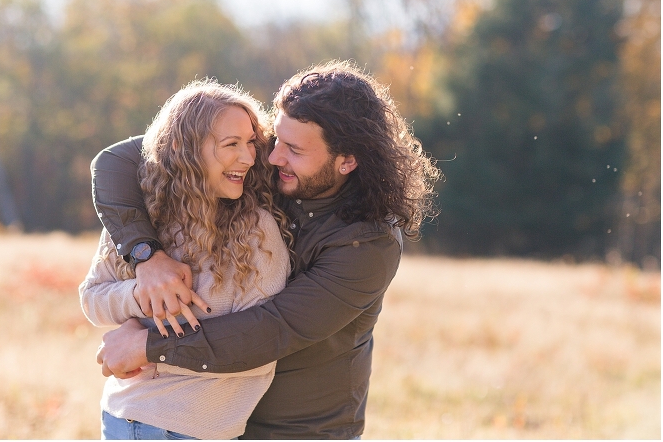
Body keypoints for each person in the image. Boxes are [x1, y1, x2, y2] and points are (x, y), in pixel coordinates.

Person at [94, 60, 441, 439]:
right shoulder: (263, 165)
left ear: (347, 161)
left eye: (294, 149)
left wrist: (148, 345)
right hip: (216, 423)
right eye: (276, 139)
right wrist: (146, 256)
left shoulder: (369, 244)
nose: (272, 157)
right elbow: (116, 162)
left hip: (299, 430)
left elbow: (270, 330)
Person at [79, 79, 292, 440]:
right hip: (119, 417)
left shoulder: (256, 230)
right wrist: (141, 292)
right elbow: (92, 297)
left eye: (250, 143)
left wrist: (147, 349)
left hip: (193, 430)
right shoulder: (142, 215)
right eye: (231, 145)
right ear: (182, 146)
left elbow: (257, 349)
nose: (249, 157)